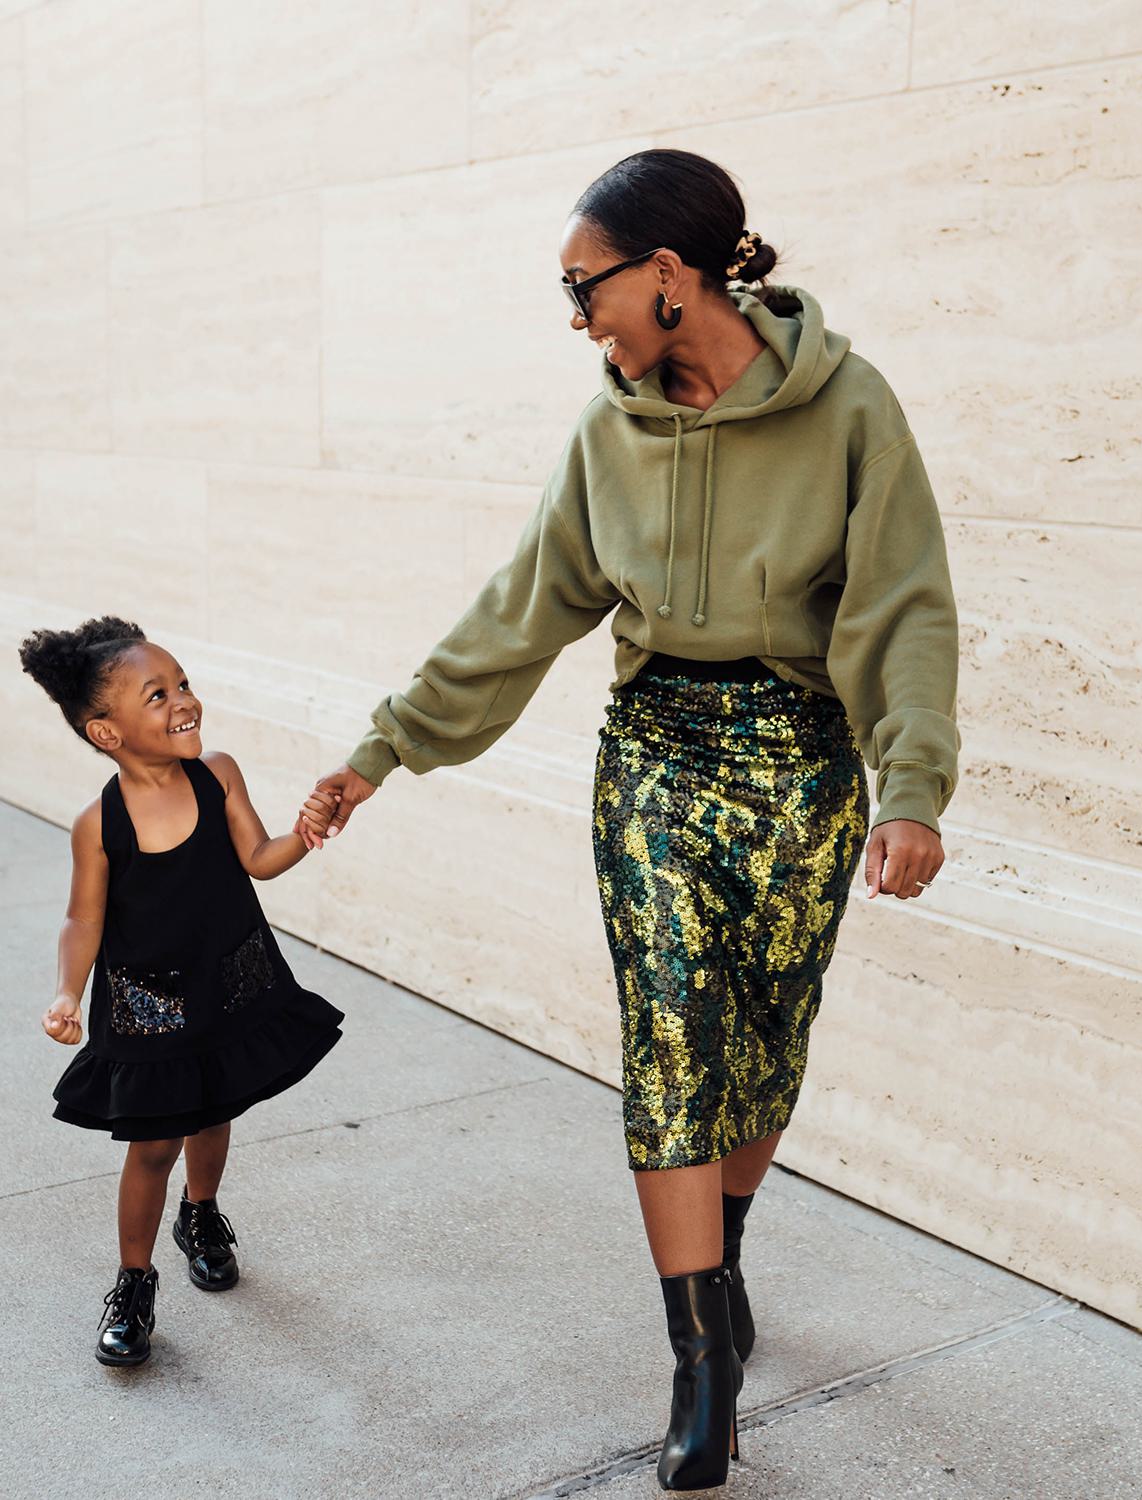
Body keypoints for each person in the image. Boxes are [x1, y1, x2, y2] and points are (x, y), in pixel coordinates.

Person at [302, 148, 960, 1490]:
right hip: (656, 755)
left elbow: (904, 606)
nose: (579, 318)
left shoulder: (851, 409)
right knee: (673, 1034)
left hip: (805, 769)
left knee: (767, 1042)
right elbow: (523, 606)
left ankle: (713, 1258)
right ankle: (701, 1353)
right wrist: (383, 749)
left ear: (670, 271)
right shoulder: (607, 428)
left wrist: (913, 790)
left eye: (583, 286)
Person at [19, 616, 344, 1368]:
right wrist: (68, 993)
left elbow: (260, 860)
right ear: (107, 732)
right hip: (147, 1001)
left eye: (184, 684)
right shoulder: (98, 823)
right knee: (153, 1143)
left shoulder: (218, 773)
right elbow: (83, 917)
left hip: (230, 980)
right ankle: (134, 1284)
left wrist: (309, 828)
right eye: (157, 695)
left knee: (215, 1107)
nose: (184, 702)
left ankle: (201, 1216)